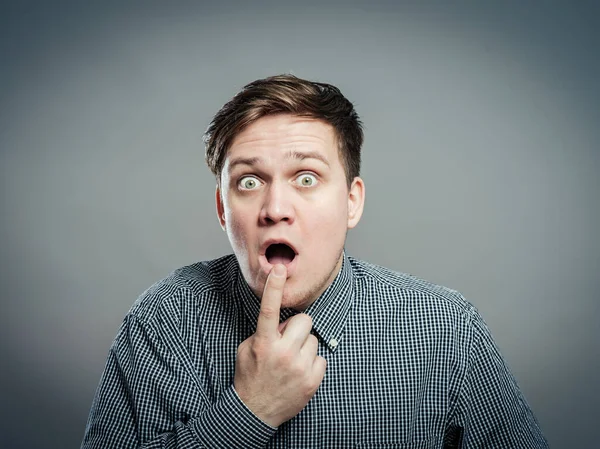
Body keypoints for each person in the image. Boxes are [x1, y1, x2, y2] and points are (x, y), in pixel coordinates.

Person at [81, 74, 548, 448]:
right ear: (223, 210)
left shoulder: (447, 330)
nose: (275, 207)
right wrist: (249, 412)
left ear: (351, 202)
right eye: (248, 182)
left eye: (306, 178)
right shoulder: (165, 320)